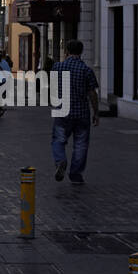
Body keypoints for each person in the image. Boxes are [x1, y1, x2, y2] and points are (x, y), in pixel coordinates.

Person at [50, 41, 99, 182]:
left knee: (58, 140)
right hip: (81, 113)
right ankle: (76, 175)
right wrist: (96, 113)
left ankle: (60, 161)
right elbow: (92, 94)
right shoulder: (86, 70)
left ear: (66, 51)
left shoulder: (57, 67)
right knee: (81, 144)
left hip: (62, 112)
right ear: (81, 51)